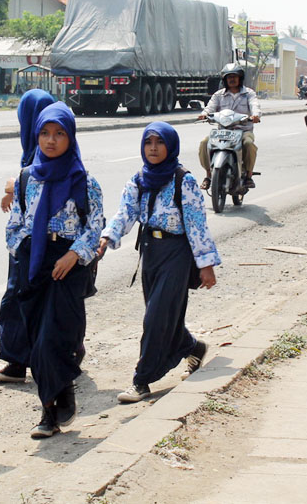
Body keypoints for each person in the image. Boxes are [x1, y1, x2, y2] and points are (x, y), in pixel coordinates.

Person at [97, 123, 219, 404]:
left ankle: (141, 380)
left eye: (159, 142)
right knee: (162, 314)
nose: (153, 147)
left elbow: (197, 224)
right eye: (148, 142)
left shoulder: (183, 180)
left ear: (170, 146)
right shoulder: (139, 179)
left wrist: (206, 264)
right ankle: (192, 347)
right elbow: (125, 213)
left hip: (176, 253)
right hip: (150, 251)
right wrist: (107, 238)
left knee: (155, 319)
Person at [4, 102, 104, 439]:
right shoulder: (27, 177)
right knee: (36, 339)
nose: (50, 140)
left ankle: (48, 412)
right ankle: (58, 400)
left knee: (54, 338)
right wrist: (21, 249)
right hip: (34, 262)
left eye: (59, 134)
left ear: (70, 137)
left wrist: (73, 255)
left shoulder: (84, 181)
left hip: (68, 263)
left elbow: (95, 227)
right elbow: (16, 222)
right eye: (45, 133)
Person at [0, 88, 57, 384]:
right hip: (46, 244)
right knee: (51, 299)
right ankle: (65, 355)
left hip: (37, 244)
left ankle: (16, 363)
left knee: (18, 297)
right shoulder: (44, 147)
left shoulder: (43, 149)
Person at [197, 63, 261, 190]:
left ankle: (248, 176)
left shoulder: (249, 94)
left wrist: (255, 115)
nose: (232, 79)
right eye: (229, 77)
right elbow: (210, 107)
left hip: (243, 131)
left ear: (240, 78)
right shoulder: (218, 95)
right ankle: (209, 175)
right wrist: (204, 114)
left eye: (234, 76)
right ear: (225, 80)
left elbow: (255, 105)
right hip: (223, 131)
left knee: (249, 144)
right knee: (204, 142)